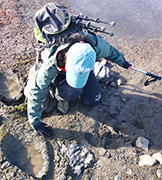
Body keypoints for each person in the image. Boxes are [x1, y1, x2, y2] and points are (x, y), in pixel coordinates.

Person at [26, 6, 131, 138]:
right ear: (65, 60)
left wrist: (124, 63)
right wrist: (35, 122)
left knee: (92, 100)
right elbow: (37, 90)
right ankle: (60, 96)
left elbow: (111, 52)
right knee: (73, 92)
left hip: (84, 70)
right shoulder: (53, 61)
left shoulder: (95, 45)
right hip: (60, 72)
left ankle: (78, 81)